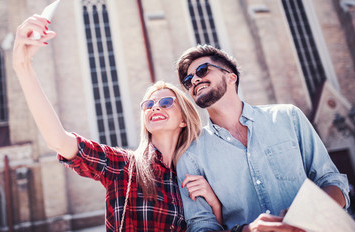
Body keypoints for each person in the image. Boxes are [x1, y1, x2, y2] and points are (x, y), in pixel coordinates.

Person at [12, 15, 221, 232]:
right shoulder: (124, 166)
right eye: (148, 104)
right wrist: (22, 66)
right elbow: (59, 141)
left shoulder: (194, 174)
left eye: (166, 102)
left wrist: (213, 203)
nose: (155, 107)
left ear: (184, 120)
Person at [175, 44, 350, 232]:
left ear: (231, 76)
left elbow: (331, 180)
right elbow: (201, 226)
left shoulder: (288, 117)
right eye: (188, 80)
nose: (194, 80)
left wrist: (307, 215)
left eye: (202, 71)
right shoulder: (191, 155)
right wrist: (247, 230)